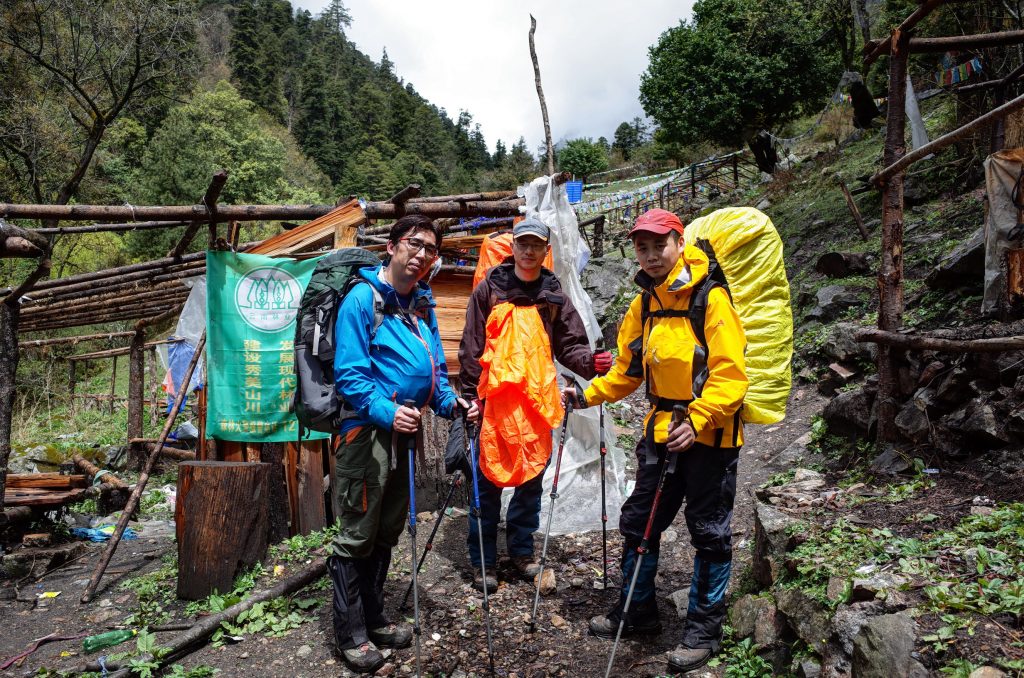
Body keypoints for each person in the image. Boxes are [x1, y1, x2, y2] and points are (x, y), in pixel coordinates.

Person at [563, 208, 747, 674]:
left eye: (657, 244)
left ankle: (703, 631)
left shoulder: (712, 300)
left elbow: (730, 376)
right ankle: (637, 611)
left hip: (712, 437)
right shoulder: (643, 306)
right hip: (662, 433)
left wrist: (700, 417)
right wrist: (586, 395)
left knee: (708, 532)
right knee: (639, 522)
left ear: (679, 243)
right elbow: (626, 371)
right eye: (641, 247)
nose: (649, 255)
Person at [329, 214, 474, 673]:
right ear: (390, 247)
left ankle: (375, 618)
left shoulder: (422, 306)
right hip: (366, 435)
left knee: (387, 529)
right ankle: (350, 633)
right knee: (356, 533)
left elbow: (433, 371)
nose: (422, 255)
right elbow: (350, 373)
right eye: (414, 244)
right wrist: (388, 411)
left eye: (431, 249)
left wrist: (452, 404)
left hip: (404, 436)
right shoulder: (361, 300)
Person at [459, 216, 612, 590]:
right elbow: (472, 346)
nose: (528, 251)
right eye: (522, 244)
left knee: (530, 477)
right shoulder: (489, 289)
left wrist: (591, 363)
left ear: (546, 251)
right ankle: (485, 561)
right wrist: (468, 399)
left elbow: (570, 342)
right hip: (493, 401)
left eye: (536, 246)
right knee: (487, 479)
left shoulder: (553, 293)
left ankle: (522, 551)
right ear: (513, 248)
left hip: (537, 401)